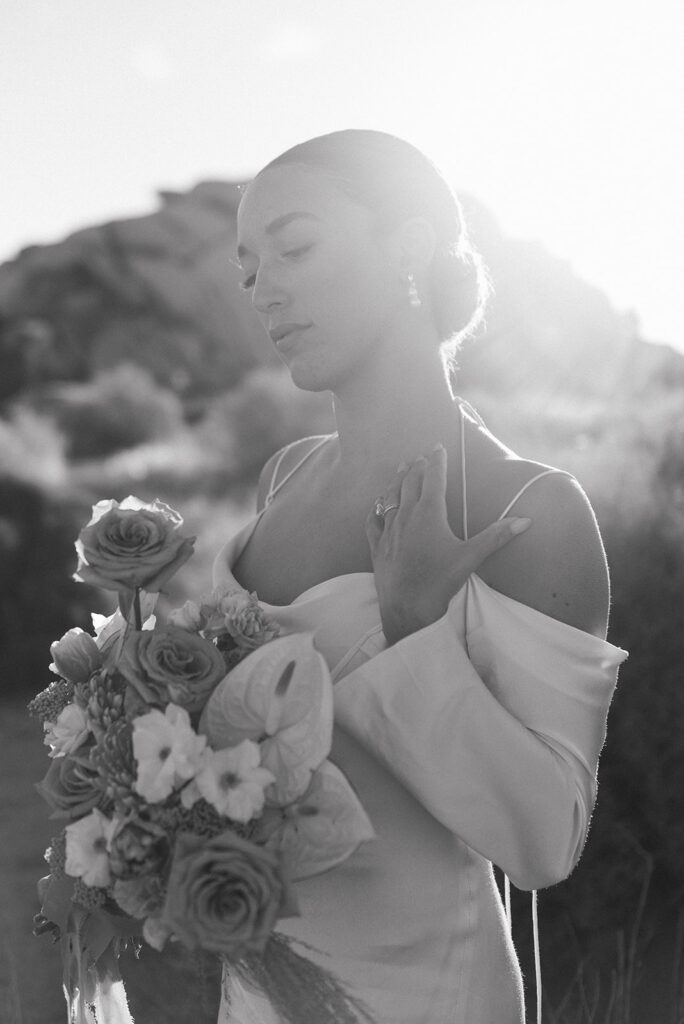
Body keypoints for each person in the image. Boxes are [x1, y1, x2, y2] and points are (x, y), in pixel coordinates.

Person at [212, 129, 627, 1024]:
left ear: (405, 247)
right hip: (256, 985)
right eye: (249, 267)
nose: (265, 288)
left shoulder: (529, 510)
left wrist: (416, 631)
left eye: (295, 247)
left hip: (426, 996)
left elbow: (547, 841)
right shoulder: (283, 477)